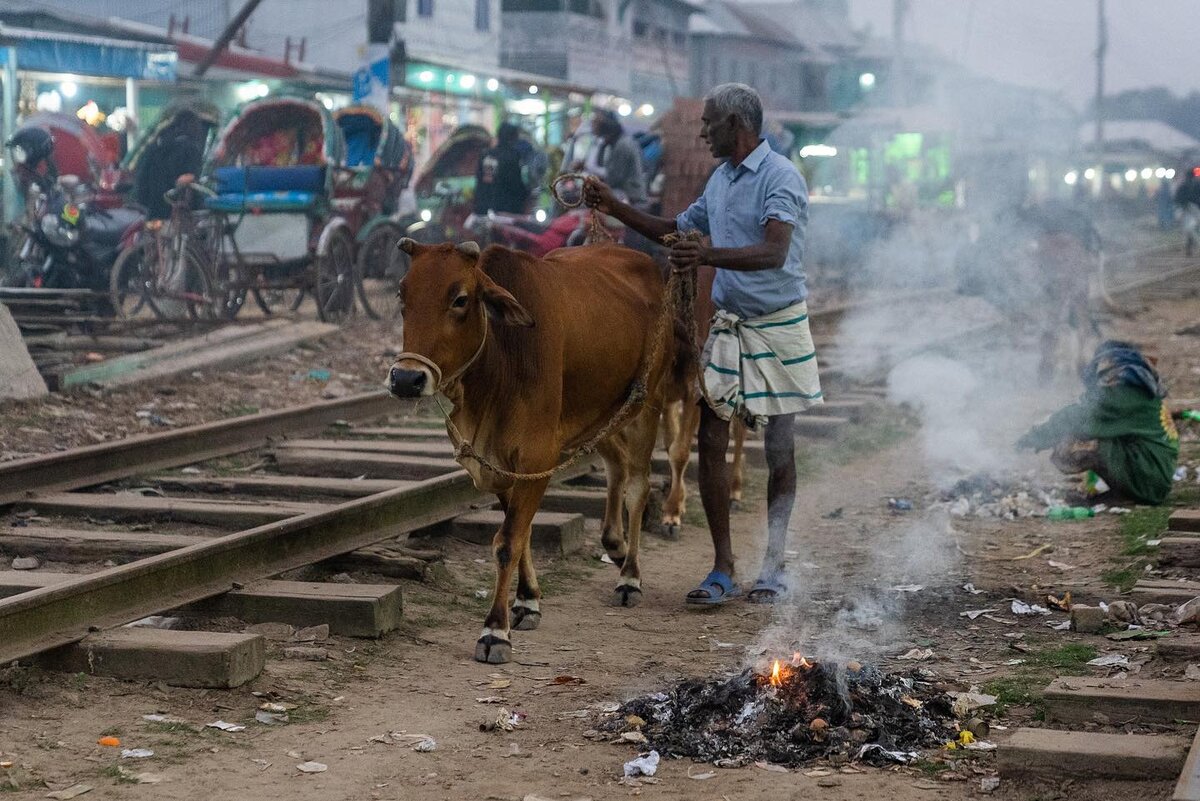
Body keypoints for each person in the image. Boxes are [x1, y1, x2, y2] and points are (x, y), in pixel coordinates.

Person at [583, 82, 821, 605]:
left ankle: (774, 566)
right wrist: (615, 206)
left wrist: (707, 258)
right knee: (710, 440)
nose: (702, 132)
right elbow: (675, 228)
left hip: (779, 323)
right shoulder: (720, 179)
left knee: (779, 447)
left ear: (736, 125)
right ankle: (722, 567)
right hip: (731, 324)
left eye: (709, 123)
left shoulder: (781, 178)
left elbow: (774, 253)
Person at [1018, 340, 1179, 505]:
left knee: (1074, 444)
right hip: (1151, 474)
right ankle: (1121, 493)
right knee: (1083, 437)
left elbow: (1080, 417)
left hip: (1149, 481)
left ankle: (1127, 495)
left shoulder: (1126, 392)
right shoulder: (1137, 386)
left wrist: (1033, 438)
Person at [132, 110, 209, 220]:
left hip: (149, 201)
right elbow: (186, 178)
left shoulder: (158, 144)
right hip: (172, 203)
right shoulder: (190, 148)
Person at [589, 109, 648, 208]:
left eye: (595, 123)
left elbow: (614, 178)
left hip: (631, 200)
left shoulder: (622, 145)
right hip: (624, 197)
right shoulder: (613, 144)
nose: (592, 126)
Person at [474, 122, 528, 215]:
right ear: (513, 138)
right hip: (505, 210)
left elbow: (479, 179)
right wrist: (526, 193)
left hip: (483, 208)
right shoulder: (512, 156)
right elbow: (515, 184)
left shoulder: (486, 154)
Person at [1175, 168, 1200, 257]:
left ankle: (1189, 248)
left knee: (1188, 230)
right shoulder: (1195, 185)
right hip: (1191, 210)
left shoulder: (1183, 186)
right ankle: (1189, 248)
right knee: (1190, 230)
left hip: (1187, 210)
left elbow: (1177, 199)